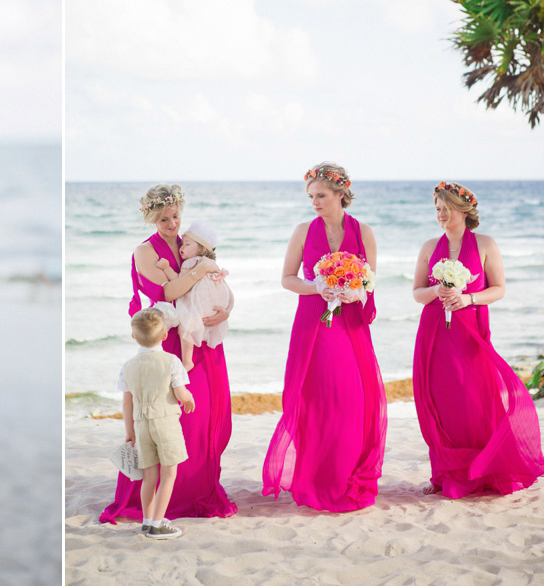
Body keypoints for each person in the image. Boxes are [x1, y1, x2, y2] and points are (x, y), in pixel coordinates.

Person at [100, 183, 238, 525]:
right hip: (173, 341)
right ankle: (168, 496)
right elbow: (170, 291)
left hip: (204, 338)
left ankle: (198, 486)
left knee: (206, 413)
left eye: (176, 216)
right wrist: (198, 270)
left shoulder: (189, 243)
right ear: (151, 218)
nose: (173, 225)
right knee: (175, 416)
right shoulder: (145, 251)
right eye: (164, 219)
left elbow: (213, 286)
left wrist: (225, 311)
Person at [262, 162, 386, 512]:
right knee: (316, 401)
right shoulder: (303, 231)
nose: (314, 202)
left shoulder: (364, 232)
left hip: (350, 328)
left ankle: (344, 475)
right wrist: (318, 287)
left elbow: (370, 283)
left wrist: (354, 294)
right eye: (310, 196)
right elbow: (287, 278)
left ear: (340, 194)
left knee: (349, 400)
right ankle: (315, 478)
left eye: (320, 195)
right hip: (312, 327)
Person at [412, 181, 544, 497]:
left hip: (469, 333)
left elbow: (498, 289)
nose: (441, 215)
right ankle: (444, 473)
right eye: (437, 209)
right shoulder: (430, 247)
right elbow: (417, 293)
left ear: (463, 210)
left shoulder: (485, 244)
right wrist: (435, 292)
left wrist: (468, 299)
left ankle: (483, 470)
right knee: (439, 402)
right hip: (434, 334)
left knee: (473, 400)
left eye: (446, 208)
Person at [119, 308, 195, 540]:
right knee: (169, 474)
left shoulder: (128, 366)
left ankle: (147, 520)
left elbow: (127, 402)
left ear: (134, 336)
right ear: (164, 336)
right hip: (165, 422)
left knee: (149, 476)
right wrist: (189, 399)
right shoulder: (171, 361)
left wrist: (130, 431)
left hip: (141, 425)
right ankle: (158, 524)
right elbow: (180, 392)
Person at [154, 220, 234, 372]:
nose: (182, 248)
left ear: (202, 248)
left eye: (187, 244)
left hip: (198, 305)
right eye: (181, 244)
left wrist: (166, 268)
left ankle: (187, 361)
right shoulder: (211, 263)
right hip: (216, 305)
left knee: (185, 328)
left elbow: (179, 281)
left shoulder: (190, 262)